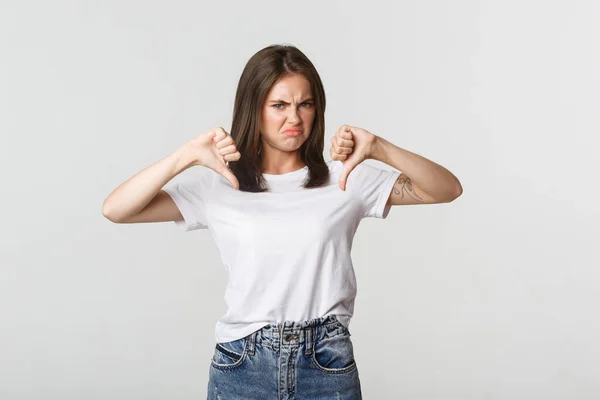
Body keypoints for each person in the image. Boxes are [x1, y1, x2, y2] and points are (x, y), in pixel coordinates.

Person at [102, 44, 462, 399]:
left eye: (305, 104)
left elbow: (446, 188)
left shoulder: (344, 178)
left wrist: (379, 147)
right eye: (279, 105)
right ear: (253, 109)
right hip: (242, 363)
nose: (295, 118)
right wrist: (186, 156)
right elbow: (117, 209)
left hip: (325, 362)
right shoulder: (220, 186)